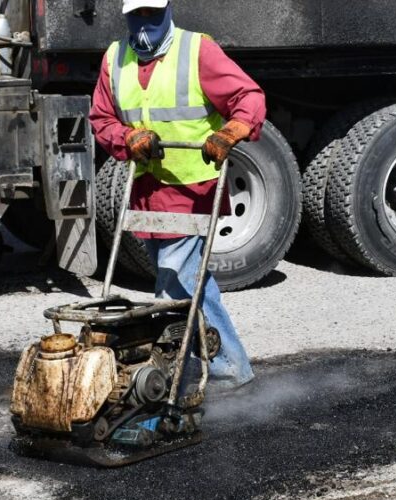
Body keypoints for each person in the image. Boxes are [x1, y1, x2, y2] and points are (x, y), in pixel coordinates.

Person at [89, 0, 265, 389]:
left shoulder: (196, 50)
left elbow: (249, 97)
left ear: (167, 10)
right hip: (147, 189)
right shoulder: (115, 58)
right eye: (137, 15)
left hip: (192, 187)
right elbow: (102, 118)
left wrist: (231, 131)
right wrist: (128, 137)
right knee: (188, 281)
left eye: (152, 13)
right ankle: (227, 365)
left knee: (173, 284)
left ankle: (187, 377)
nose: (144, 23)